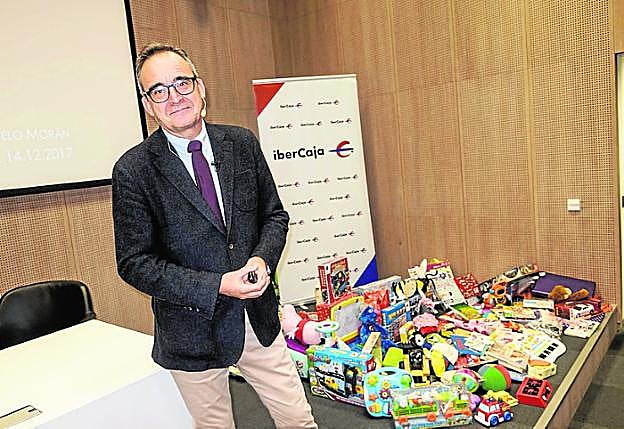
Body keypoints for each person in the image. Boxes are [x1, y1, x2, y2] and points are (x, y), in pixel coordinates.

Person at [111, 42, 317, 429]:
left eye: (182, 83)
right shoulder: (133, 170)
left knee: (298, 421)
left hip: (256, 319)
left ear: (200, 87)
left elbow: (274, 217)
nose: (175, 97)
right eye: (159, 90)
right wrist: (217, 285)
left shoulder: (241, 144)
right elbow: (134, 263)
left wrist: (261, 260)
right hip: (191, 334)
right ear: (148, 105)